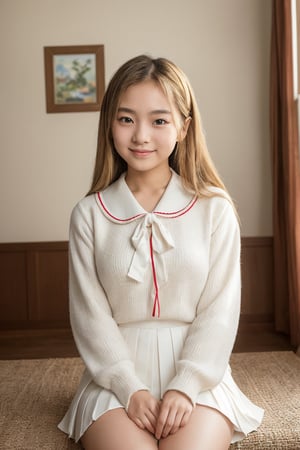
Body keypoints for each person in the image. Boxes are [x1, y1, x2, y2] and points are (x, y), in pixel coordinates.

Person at [58, 54, 264, 450]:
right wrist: (127, 386)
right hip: (113, 378)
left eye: (159, 120)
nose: (141, 136)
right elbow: (90, 315)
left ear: (183, 127)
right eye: (126, 119)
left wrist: (186, 386)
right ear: (110, 126)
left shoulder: (214, 209)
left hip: (200, 374)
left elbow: (220, 309)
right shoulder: (88, 215)